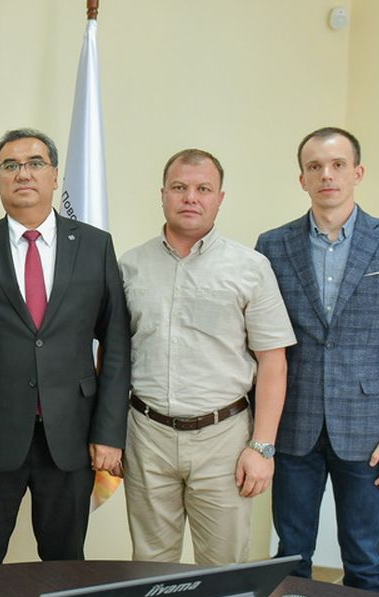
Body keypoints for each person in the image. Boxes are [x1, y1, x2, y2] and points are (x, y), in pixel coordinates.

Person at [0, 128, 130, 567]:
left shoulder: (95, 245)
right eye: (10, 165)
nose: (23, 173)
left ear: (55, 175)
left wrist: (108, 432)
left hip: (71, 436)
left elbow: (117, 344)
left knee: (65, 565)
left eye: (35, 163)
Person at [256, 127, 379, 593]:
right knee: (291, 555)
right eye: (315, 167)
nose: (326, 175)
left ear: (358, 173)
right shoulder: (273, 246)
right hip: (294, 424)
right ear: (302, 179)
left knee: (364, 558)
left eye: (337, 165)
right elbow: (260, 343)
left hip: (368, 430)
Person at [119, 149, 296, 565]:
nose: (190, 198)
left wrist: (262, 448)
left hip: (224, 440)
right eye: (179, 187)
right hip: (146, 436)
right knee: (149, 567)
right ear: (163, 194)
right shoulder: (130, 265)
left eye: (203, 189)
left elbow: (274, 362)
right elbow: (113, 355)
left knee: (224, 570)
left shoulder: (251, 267)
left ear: (220, 198)